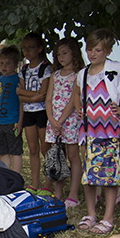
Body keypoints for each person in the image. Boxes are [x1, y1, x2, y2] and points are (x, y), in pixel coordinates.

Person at [61, 28, 120, 235]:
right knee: (89, 173)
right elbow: (76, 93)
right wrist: (79, 108)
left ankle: (108, 217)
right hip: (88, 130)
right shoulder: (83, 73)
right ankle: (91, 214)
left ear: (107, 51)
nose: (93, 54)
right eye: (90, 50)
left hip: (109, 129)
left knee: (109, 174)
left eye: (98, 50)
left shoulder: (117, 68)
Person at [45, 37, 85, 207]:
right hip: (54, 122)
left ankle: (73, 194)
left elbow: (72, 102)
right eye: (58, 54)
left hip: (70, 121)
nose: (61, 57)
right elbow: (48, 99)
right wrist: (52, 120)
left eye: (64, 53)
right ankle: (58, 192)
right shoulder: (55, 75)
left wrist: (60, 121)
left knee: (73, 156)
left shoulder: (78, 75)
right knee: (57, 155)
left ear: (74, 53)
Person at [16, 32, 52, 194]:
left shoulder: (46, 68)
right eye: (24, 48)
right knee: (32, 149)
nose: (27, 52)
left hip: (43, 112)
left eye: (31, 48)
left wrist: (30, 95)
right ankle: (35, 183)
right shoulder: (24, 70)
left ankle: (48, 183)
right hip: (28, 113)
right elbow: (19, 93)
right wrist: (34, 96)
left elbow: (44, 93)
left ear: (40, 48)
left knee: (46, 149)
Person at [0, 45, 23, 173]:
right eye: (1, 63)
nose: (4, 66)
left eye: (8, 63)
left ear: (16, 64)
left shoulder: (18, 79)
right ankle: (6, 176)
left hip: (12, 122)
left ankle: (16, 176)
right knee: (2, 152)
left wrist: (20, 122)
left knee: (15, 151)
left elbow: (22, 102)